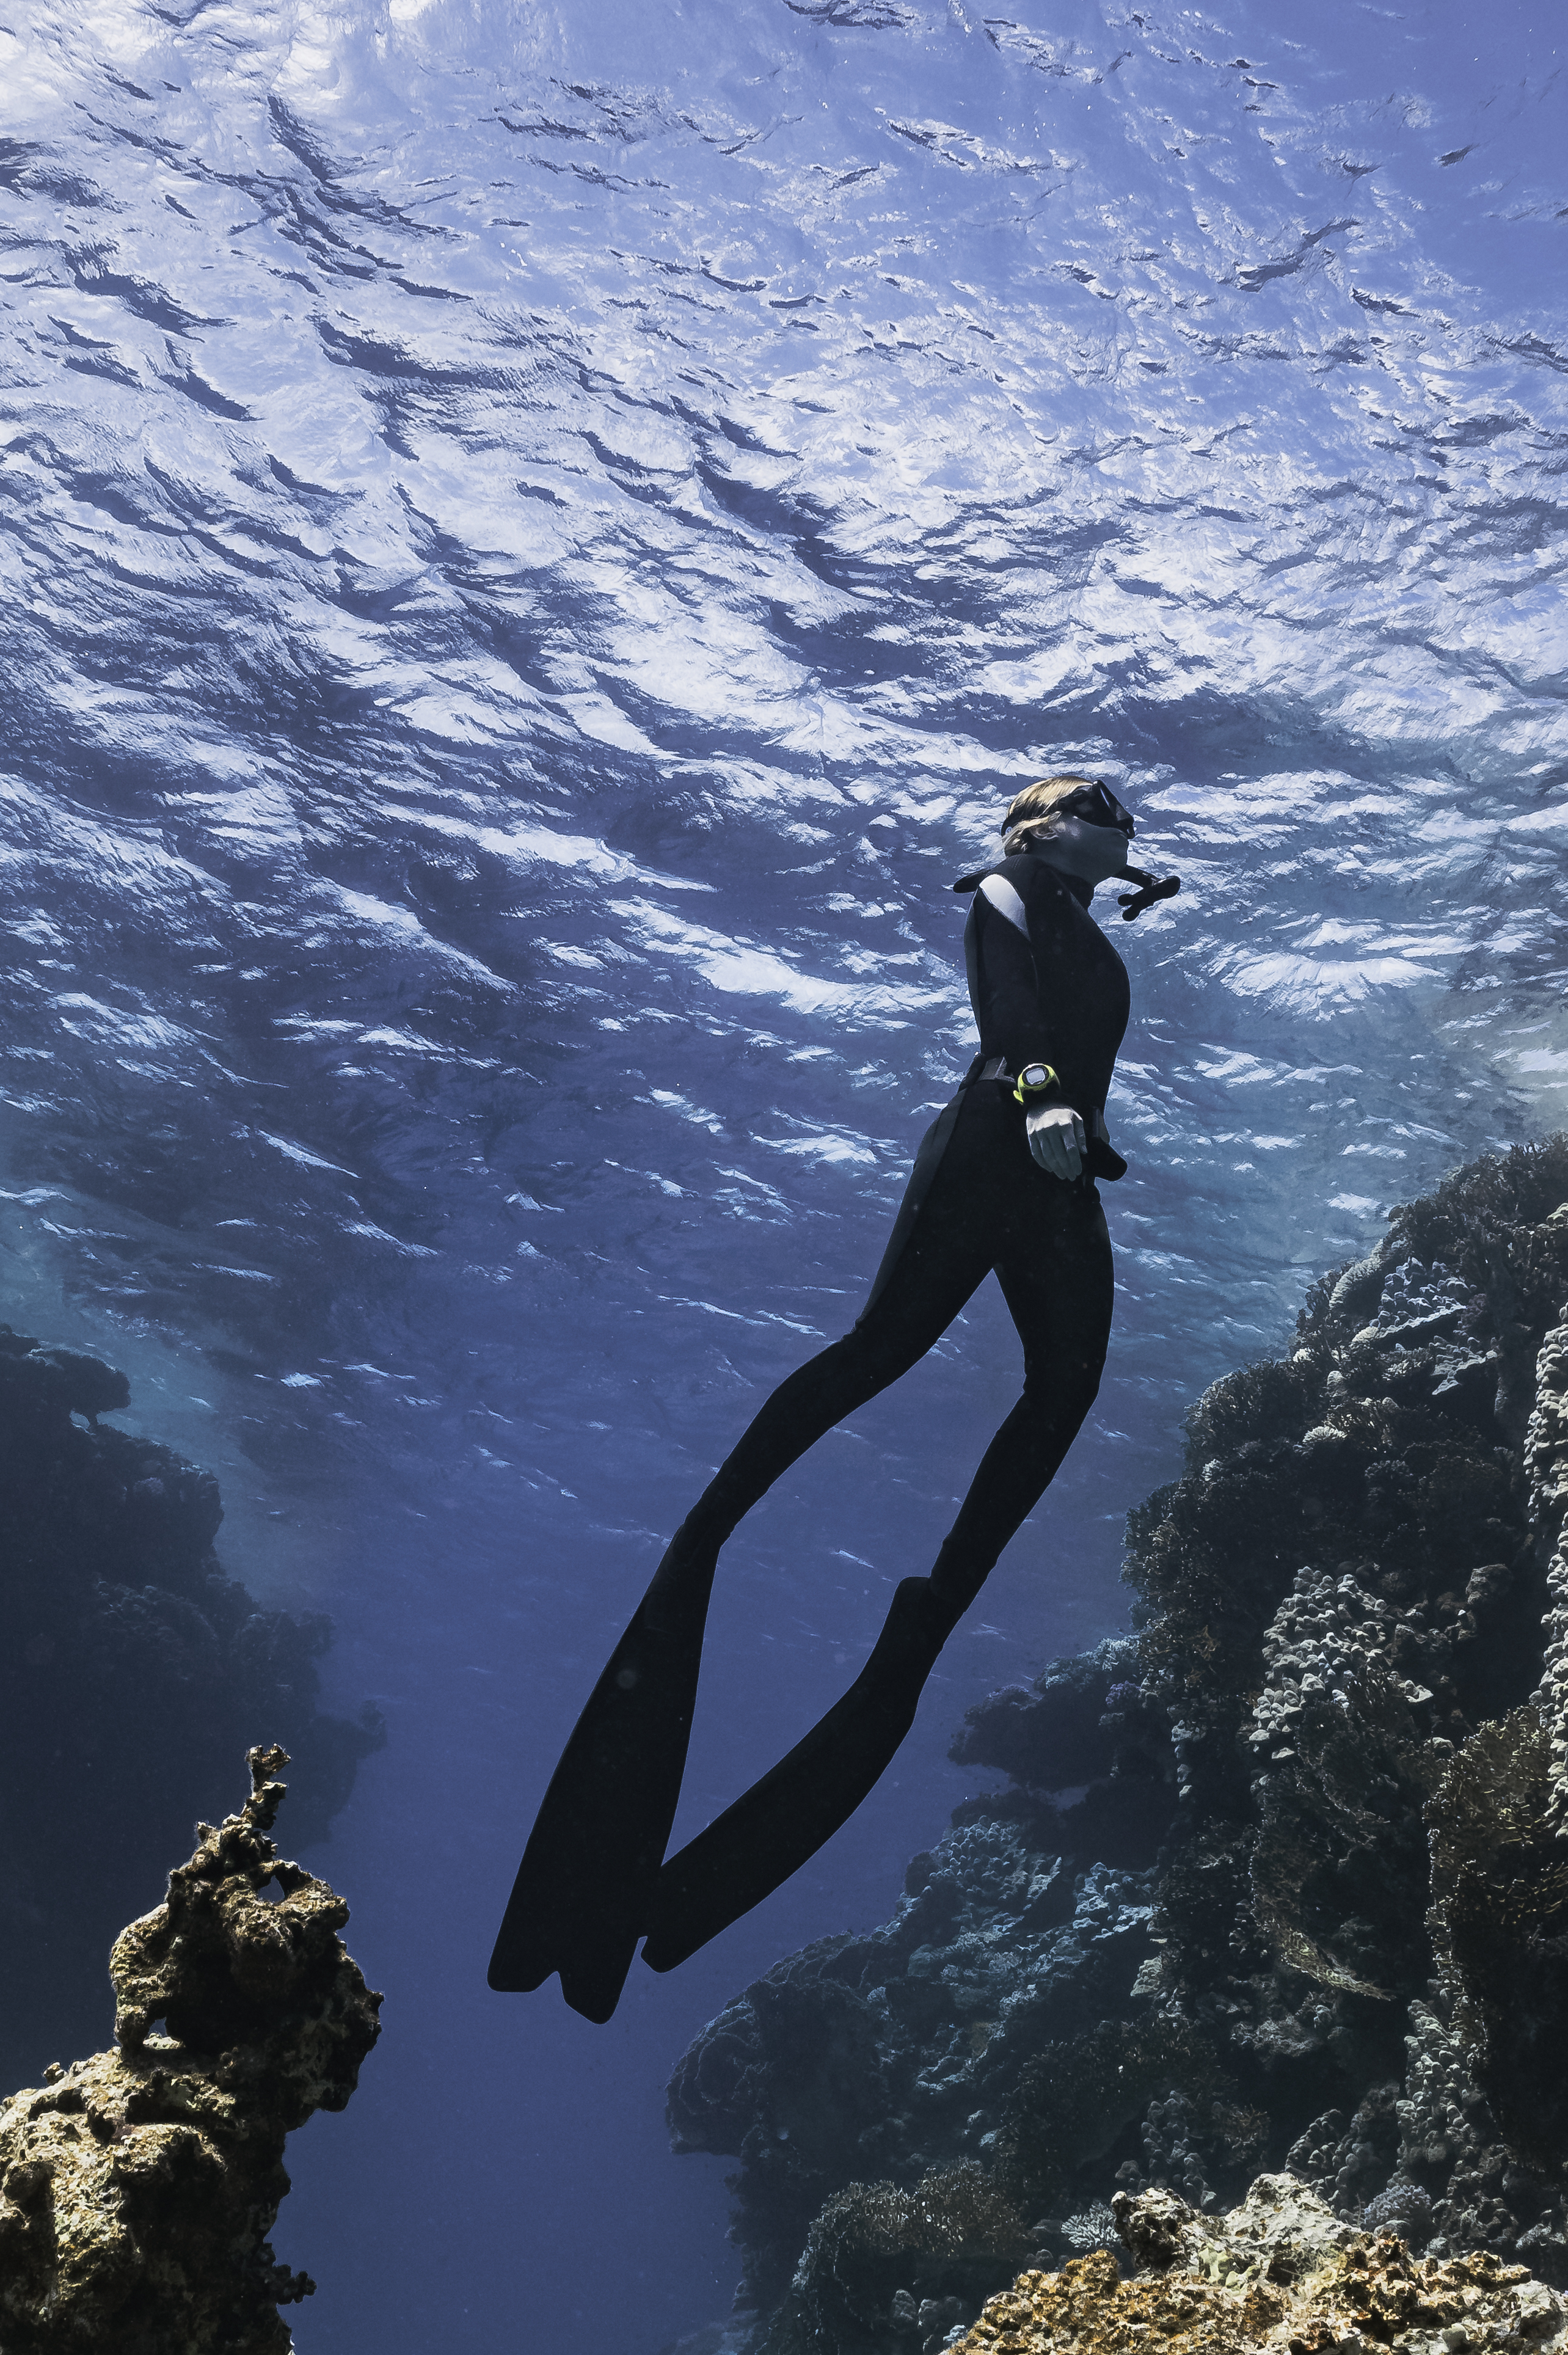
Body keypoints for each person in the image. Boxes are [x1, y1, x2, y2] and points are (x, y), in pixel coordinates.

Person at [492, 770, 1178, 2020]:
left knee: (1067, 1387)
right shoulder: (1013, 887)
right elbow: (1008, 1006)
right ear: (1044, 823)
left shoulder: (1081, 915)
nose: (1118, 818)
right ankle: (707, 1535)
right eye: (1096, 802)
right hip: (997, 1139)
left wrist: (1071, 1130)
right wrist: (1032, 1097)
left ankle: (921, 1628)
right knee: (879, 1351)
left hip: (1061, 1169)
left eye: (1121, 811)